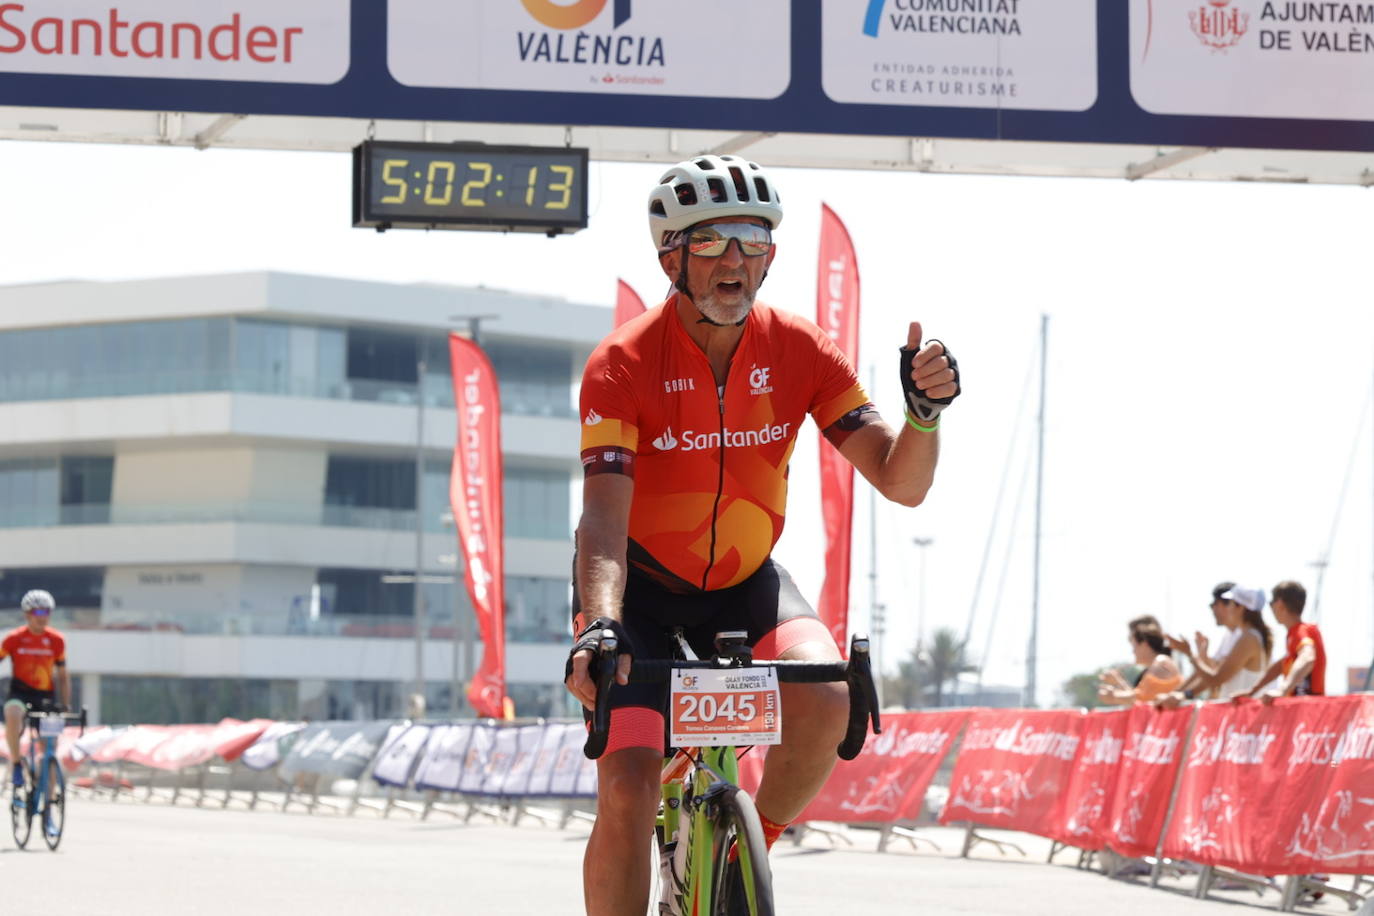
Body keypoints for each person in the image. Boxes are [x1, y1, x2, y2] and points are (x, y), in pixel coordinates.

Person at [565, 155, 960, 916]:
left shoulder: (800, 348)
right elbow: (605, 519)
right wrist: (604, 625)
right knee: (626, 787)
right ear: (670, 257)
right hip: (637, 588)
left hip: (746, 584)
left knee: (828, 697)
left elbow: (901, 482)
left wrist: (922, 417)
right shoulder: (622, 363)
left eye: (751, 240)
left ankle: (750, 850)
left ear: (771, 255)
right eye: (711, 242)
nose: (735, 262)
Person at [1, 590, 70, 787]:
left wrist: (65, 705)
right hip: (20, 692)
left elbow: (63, 676)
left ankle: (48, 810)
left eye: (47, 612)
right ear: (27, 614)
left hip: (45, 696)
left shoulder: (57, 640)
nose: (43, 617)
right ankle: (15, 763)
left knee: (49, 749)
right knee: (12, 713)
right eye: (38, 613)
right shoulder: (13, 638)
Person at [1167, 584, 1271, 701]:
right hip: (1238, 713)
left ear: (1240, 607)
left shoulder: (1248, 638)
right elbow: (1216, 674)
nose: (1229, 608)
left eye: (1230, 603)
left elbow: (1215, 680)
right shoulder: (1248, 636)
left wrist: (1190, 654)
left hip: (1242, 715)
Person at [1242, 580, 1326, 702]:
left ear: (1279, 604)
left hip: (1308, 710)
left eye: (1271, 603)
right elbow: (1281, 665)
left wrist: (1283, 689)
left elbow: (1308, 657)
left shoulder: (1301, 632)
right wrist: (1253, 691)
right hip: (1303, 708)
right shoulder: (1294, 635)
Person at [1098, 616, 1183, 704]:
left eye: (1134, 646)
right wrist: (1117, 683)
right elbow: (1140, 700)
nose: (1133, 652)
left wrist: (1113, 695)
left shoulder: (1161, 662)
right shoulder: (1161, 663)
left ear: (1144, 644)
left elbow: (1139, 700)